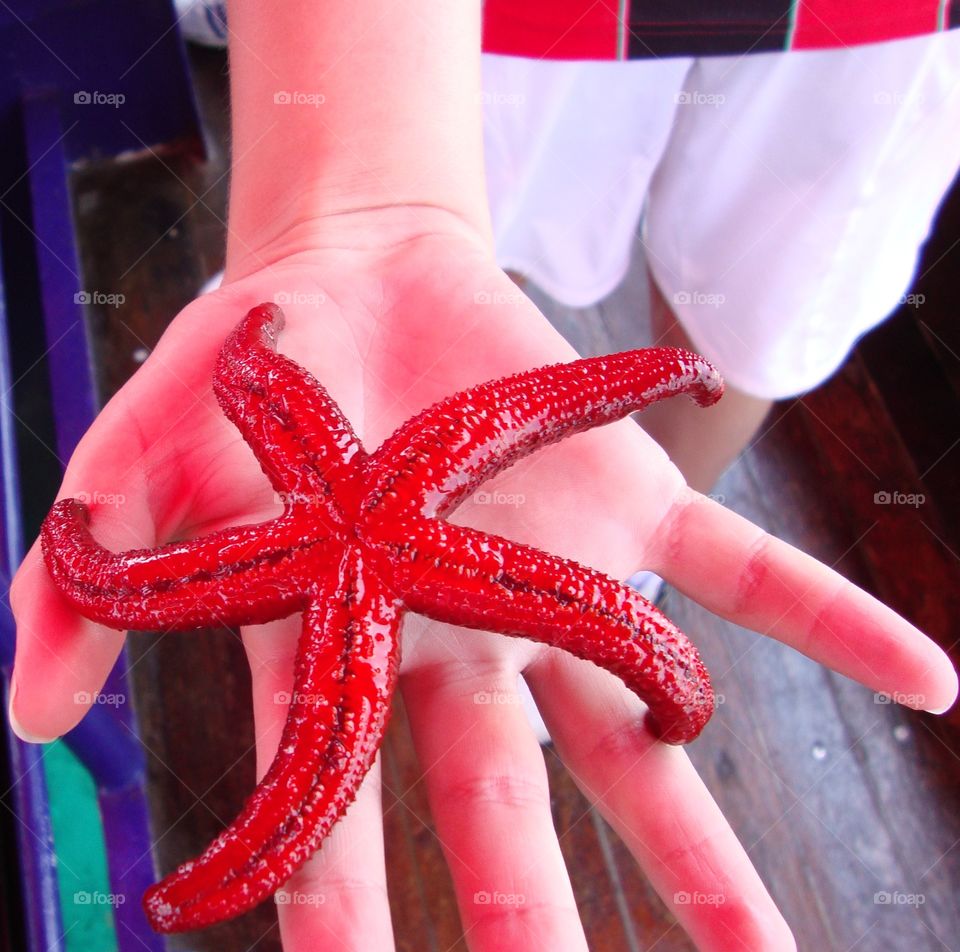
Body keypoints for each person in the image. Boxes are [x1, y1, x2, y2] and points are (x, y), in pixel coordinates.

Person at [8, 3, 957, 950]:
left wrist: (267, 334)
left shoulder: (347, 494)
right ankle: (639, 575)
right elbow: (121, 563)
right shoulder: (360, 492)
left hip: (879, 26)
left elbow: (130, 556)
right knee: (549, 212)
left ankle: (644, 548)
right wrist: (353, 199)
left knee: (760, 304)